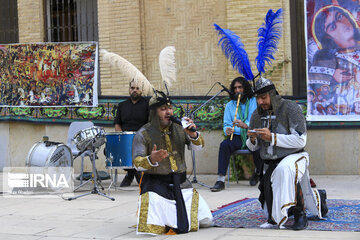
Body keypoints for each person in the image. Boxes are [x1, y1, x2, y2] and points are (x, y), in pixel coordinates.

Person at [246, 77, 328, 230]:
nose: (260, 102)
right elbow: (252, 147)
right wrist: (252, 139)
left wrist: (273, 137)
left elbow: (301, 141)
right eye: (258, 98)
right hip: (270, 161)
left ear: (272, 94)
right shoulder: (256, 115)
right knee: (270, 187)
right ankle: (275, 218)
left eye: (263, 97)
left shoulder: (290, 108)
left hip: (295, 156)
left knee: (285, 170)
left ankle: (300, 214)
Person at [132, 90, 213, 235]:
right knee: (151, 228)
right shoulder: (143, 133)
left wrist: (193, 135)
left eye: (170, 108)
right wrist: (151, 159)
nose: (168, 112)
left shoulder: (180, 128)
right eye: (163, 109)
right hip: (157, 187)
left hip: (182, 185)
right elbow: (136, 163)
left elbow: (199, 147)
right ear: (153, 112)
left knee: (206, 220)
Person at [210, 77, 262, 192]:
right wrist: (227, 130)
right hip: (237, 137)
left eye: (240, 87)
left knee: (259, 147)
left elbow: (258, 122)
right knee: (225, 145)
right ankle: (220, 180)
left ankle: (258, 173)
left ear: (246, 88)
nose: (238, 90)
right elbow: (226, 124)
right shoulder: (230, 105)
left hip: (251, 135)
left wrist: (246, 125)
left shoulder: (255, 101)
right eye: (235, 88)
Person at [113, 80, 149, 187]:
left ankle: (131, 174)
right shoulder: (122, 105)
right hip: (126, 138)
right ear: (129, 89)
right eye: (132, 88)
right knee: (109, 150)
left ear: (142, 90)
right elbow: (117, 124)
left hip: (142, 138)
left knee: (136, 148)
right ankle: (133, 172)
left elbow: (150, 124)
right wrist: (121, 138)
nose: (135, 90)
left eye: (137, 88)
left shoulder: (147, 104)